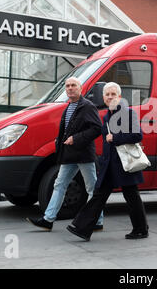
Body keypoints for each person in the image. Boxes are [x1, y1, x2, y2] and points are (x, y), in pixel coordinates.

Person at [67, 82, 149, 241]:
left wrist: (115, 137)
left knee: (131, 196)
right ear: (103, 97)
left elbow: (137, 135)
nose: (110, 97)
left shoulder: (127, 113)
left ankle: (141, 229)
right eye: (107, 94)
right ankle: (82, 228)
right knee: (99, 195)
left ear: (119, 97)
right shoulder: (107, 116)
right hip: (110, 165)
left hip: (125, 164)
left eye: (113, 94)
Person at [27, 77, 103, 231]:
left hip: (83, 155)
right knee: (59, 184)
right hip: (69, 155)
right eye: (67, 86)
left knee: (92, 188)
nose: (70, 88)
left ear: (80, 88)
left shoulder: (87, 106)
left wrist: (76, 138)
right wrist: (59, 141)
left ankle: (98, 221)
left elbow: (96, 128)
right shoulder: (68, 107)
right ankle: (48, 220)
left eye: (73, 85)